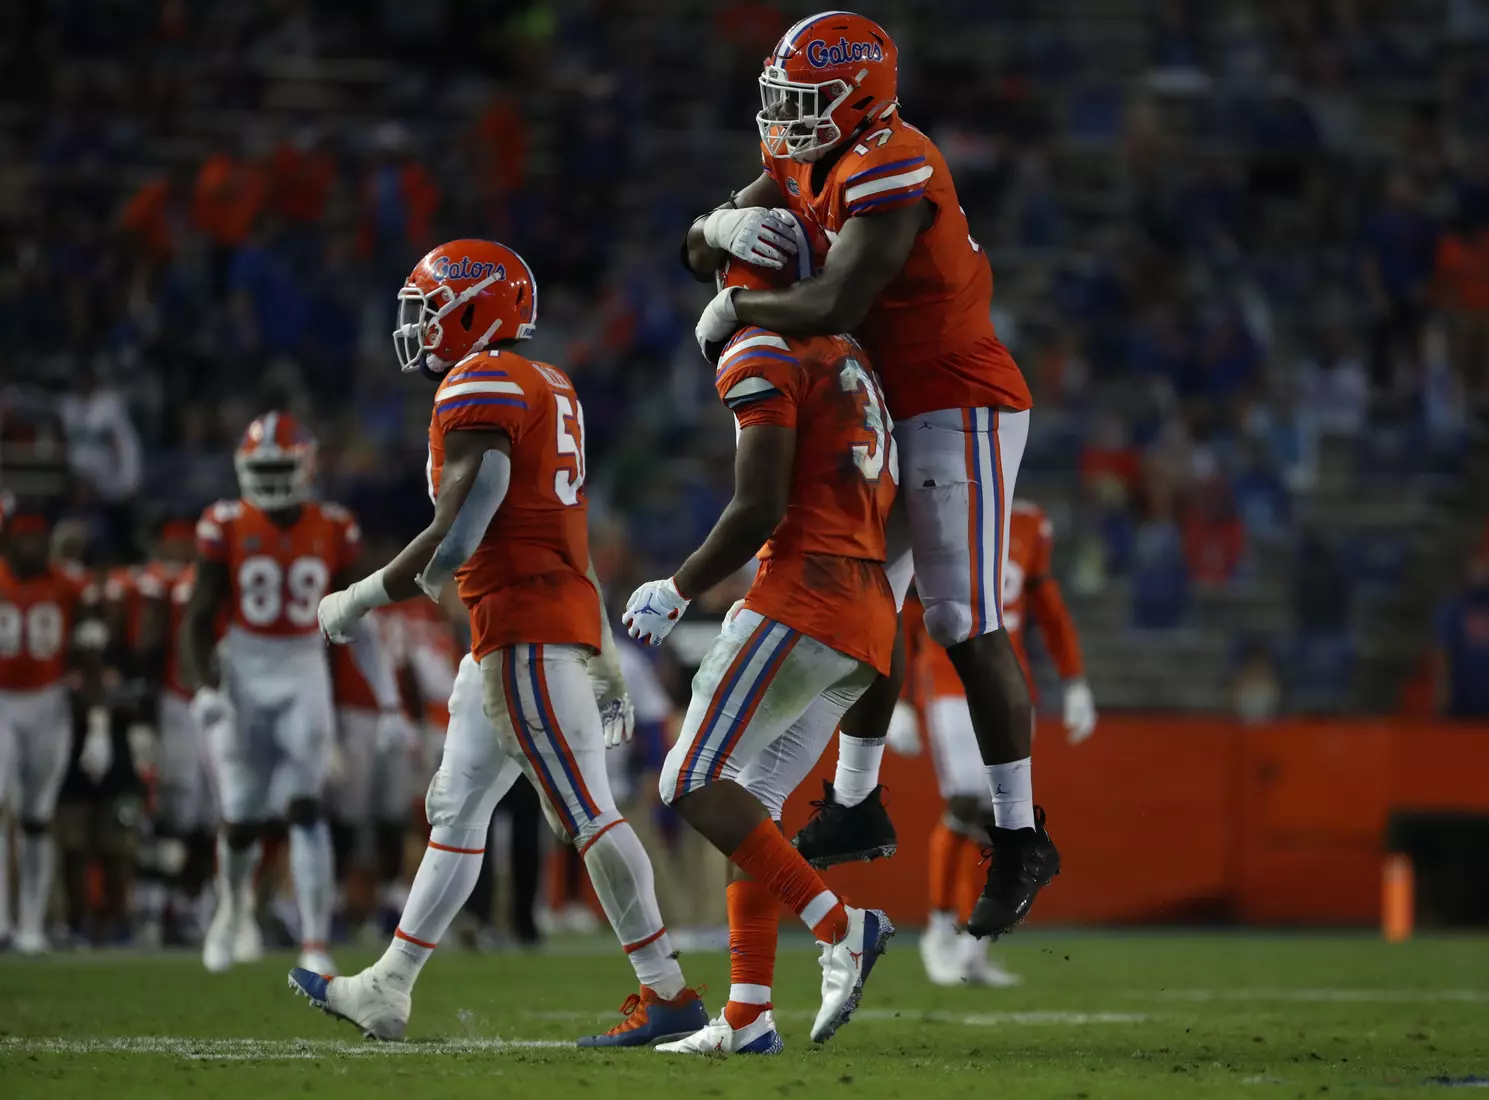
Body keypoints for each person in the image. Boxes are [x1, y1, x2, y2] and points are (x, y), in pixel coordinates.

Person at [682, 11, 1056, 939]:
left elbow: (837, 300)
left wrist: (738, 303)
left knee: (960, 617)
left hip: (955, 396)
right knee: (864, 606)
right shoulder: (812, 150)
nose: (786, 119)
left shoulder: (895, 161)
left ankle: (1018, 835)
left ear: (859, 101)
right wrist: (719, 224)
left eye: (807, 102)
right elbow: (696, 246)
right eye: (783, 99)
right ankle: (857, 799)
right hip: (887, 398)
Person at [288, 239, 708, 1047]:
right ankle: (388, 986)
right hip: (525, 623)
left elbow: (455, 538)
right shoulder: (546, 381)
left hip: (521, 626)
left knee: (587, 813)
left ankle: (666, 994)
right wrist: (606, 650)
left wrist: (358, 598)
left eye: (429, 306)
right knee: (457, 805)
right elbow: (566, 529)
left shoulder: (480, 382)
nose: (417, 324)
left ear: (476, 304)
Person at [624, 216, 896, 1054]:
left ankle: (839, 926)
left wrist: (677, 589)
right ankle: (747, 1014)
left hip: (802, 598)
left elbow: (759, 506)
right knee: (753, 805)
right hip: (865, 610)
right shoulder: (844, 349)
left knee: (688, 779)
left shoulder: (762, 348)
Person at [181, 412, 396, 976]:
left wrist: (389, 702)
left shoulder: (334, 526)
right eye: (264, 468)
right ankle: (232, 910)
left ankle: (314, 942)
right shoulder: (224, 523)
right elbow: (198, 617)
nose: (272, 479)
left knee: (305, 806)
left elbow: (364, 620)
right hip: (244, 671)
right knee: (242, 817)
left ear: (306, 466)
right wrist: (204, 686)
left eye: (282, 467)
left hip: (304, 668)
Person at [906, 500, 1095, 987]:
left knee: (1002, 822)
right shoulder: (939, 505)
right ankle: (939, 928)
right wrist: (899, 699)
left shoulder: (1031, 520)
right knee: (967, 803)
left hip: (1011, 684)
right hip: (947, 678)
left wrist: (1074, 680)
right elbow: (905, 611)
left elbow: (1047, 606)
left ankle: (975, 944)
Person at [0, 504, 106, 953]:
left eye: (39, 537)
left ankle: (31, 924)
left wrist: (98, 726)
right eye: (25, 537)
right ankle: (3, 920)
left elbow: (89, 658)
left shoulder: (68, 585)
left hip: (49, 703)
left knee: (38, 818)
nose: (34, 546)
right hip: (2, 701)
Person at [326, 604, 416, 940]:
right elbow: (328, 661)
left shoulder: (406, 610)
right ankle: (335, 901)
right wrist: (329, 723)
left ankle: (390, 899)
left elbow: (407, 670)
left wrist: (414, 719)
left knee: (393, 815)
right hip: (351, 715)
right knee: (346, 815)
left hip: (393, 718)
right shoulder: (347, 602)